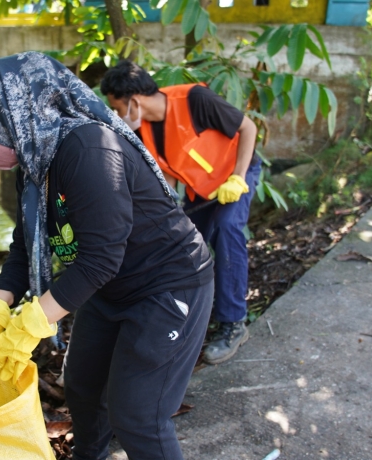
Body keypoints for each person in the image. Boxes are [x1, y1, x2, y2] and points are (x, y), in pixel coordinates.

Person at [0, 52, 214, 460]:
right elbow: (26, 244)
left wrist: (32, 323)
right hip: (108, 288)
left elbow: (101, 257)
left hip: (166, 285)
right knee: (83, 387)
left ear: (15, 119)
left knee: (139, 416)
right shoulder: (35, 159)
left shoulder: (89, 150)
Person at [100, 60, 261, 365]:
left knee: (227, 229)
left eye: (117, 108)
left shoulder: (193, 101)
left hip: (238, 173)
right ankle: (182, 317)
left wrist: (238, 178)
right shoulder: (144, 130)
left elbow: (248, 128)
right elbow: (168, 175)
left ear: (134, 101)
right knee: (181, 242)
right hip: (204, 191)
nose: (118, 116)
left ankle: (234, 324)